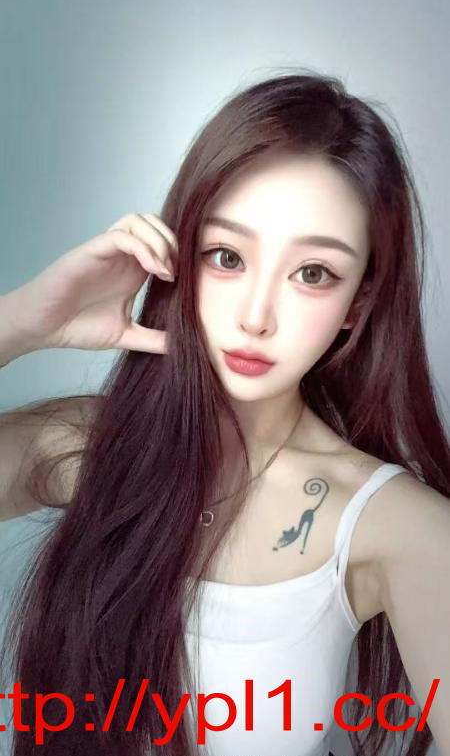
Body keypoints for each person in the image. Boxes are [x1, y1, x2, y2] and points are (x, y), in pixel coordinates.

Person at [0, 70, 449, 756]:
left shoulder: (397, 525)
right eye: (227, 256)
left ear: (357, 302)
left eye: (313, 273)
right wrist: (22, 322)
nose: (255, 316)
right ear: (181, 257)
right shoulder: (86, 446)